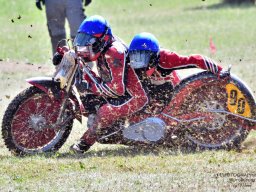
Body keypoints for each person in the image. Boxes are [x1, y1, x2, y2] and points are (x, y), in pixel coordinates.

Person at [68, 15, 148, 153]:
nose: (85, 47)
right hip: (119, 93)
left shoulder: (114, 52)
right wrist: (64, 54)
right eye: (82, 40)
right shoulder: (101, 46)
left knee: (105, 112)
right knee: (87, 100)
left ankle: (83, 144)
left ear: (102, 40)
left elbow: (118, 89)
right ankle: (105, 127)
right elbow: (78, 55)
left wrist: (90, 87)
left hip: (135, 97)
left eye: (89, 42)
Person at [128, 32, 224, 85]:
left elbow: (195, 60)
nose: (138, 64)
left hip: (173, 89)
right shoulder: (130, 66)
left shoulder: (167, 58)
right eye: (135, 57)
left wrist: (219, 70)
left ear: (154, 57)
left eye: (143, 58)